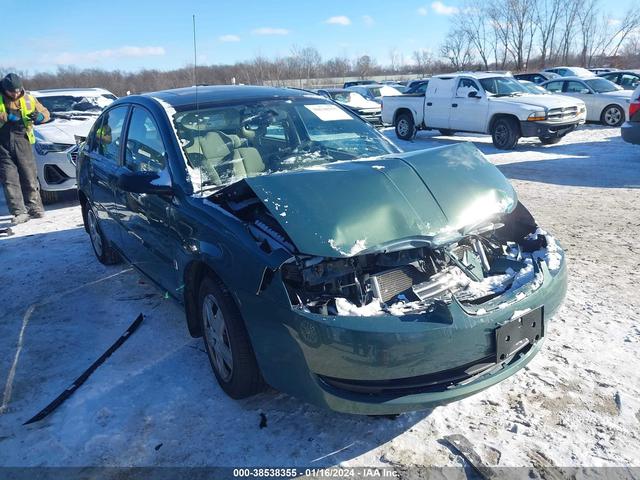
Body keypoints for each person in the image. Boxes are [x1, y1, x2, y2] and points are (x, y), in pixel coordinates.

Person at [0, 73, 50, 224]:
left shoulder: (28, 98)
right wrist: (5, 117)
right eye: (12, 92)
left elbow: (46, 113)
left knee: (29, 175)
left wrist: (40, 117)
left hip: (23, 139)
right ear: (5, 89)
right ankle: (19, 212)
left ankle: (34, 208)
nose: (15, 94)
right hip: (2, 142)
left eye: (17, 90)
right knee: (10, 179)